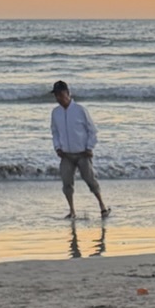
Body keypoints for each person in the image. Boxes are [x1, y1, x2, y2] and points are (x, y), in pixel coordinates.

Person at [49, 80, 109, 220]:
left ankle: (102, 206)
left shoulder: (80, 110)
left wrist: (89, 147)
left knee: (90, 180)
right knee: (66, 183)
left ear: (68, 93)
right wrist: (57, 147)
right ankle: (72, 211)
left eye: (61, 94)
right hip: (66, 154)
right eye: (56, 95)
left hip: (82, 153)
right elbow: (55, 132)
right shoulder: (55, 113)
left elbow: (92, 131)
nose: (58, 98)